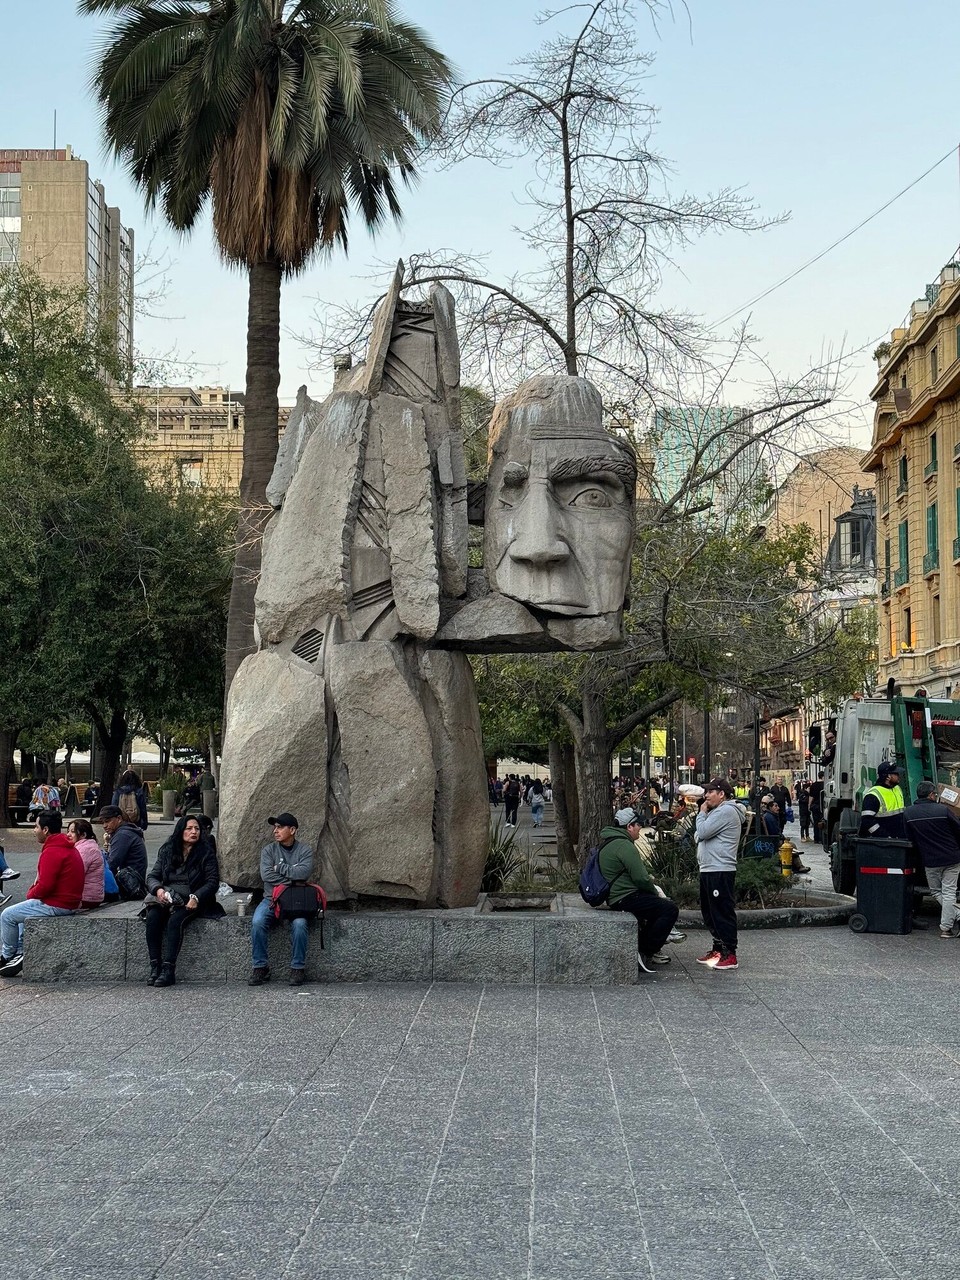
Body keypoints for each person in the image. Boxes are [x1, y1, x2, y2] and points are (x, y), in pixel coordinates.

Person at [0, 811, 84, 978]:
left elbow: (45, 886)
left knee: (7, 915)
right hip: (68, 902)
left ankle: (7, 955)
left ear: (45, 830)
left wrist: (31, 893)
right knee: (22, 913)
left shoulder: (52, 851)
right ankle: (20, 952)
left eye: (36, 826)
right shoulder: (66, 847)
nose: (34, 830)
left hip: (57, 903)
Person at [599, 807, 679, 974]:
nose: (640, 830)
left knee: (657, 906)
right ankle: (645, 950)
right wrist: (654, 892)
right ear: (629, 826)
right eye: (638, 826)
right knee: (669, 909)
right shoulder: (624, 845)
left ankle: (650, 943)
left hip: (617, 896)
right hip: (625, 897)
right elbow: (641, 878)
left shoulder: (610, 841)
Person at [143, 815, 221, 987]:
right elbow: (153, 876)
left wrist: (197, 897)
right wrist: (159, 890)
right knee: (153, 916)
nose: (193, 832)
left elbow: (212, 882)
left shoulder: (205, 852)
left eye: (197, 829)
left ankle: (169, 969)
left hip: (193, 899)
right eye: (189, 828)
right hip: (169, 896)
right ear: (181, 831)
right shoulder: (168, 850)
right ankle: (155, 966)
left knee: (175, 921)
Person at [249, 812, 316, 987]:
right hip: (271, 898)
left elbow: (304, 873)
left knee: (300, 924)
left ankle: (297, 967)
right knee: (257, 921)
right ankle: (260, 967)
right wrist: (293, 879)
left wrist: (280, 868)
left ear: (292, 830)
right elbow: (267, 875)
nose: (275, 831)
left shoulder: (305, 851)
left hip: (296, 900)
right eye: (274, 827)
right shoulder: (268, 851)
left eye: (280, 827)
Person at [694, 777, 744, 971]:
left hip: (720, 869)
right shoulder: (717, 812)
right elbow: (699, 835)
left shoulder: (726, 811)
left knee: (722, 911)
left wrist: (701, 814)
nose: (706, 796)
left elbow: (703, 832)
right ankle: (717, 947)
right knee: (709, 911)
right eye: (706, 792)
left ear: (721, 794)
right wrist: (703, 825)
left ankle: (729, 953)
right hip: (709, 868)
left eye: (710, 792)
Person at [903, 782, 960, 939]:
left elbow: (909, 838)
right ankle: (947, 927)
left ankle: (946, 928)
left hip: (930, 860)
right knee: (949, 892)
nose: (936, 796)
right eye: (935, 794)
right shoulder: (943, 810)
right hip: (952, 858)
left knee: (936, 892)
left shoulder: (909, 813)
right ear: (930, 795)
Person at [99, 804, 148, 899]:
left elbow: (112, 864)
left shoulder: (123, 835)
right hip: (134, 880)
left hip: (131, 883)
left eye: (108, 821)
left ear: (119, 818)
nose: (104, 826)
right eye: (103, 822)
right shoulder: (125, 831)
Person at [858, 761, 906, 839]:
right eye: (896, 774)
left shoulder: (897, 788)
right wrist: (885, 836)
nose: (899, 776)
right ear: (888, 776)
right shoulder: (873, 795)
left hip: (898, 840)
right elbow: (867, 821)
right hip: (883, 843)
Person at [67, 818, 105, 909]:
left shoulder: (86, 849)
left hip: (88, 897)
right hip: (91, 896)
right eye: (68, 831)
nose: (68, 834)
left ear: (83, 835)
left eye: (72, 832)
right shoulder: (86, 846)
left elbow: (74, 873)